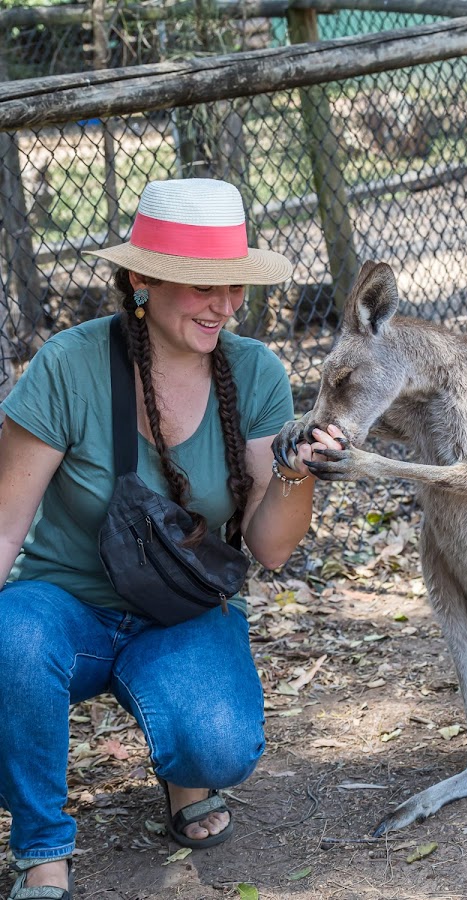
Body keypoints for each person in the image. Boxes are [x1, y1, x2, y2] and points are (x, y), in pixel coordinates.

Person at [0, 178, 343, 900]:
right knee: (13, 638)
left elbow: (272, 550)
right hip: (67, 606)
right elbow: (6, 523)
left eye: (233, 285)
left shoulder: (253, 371)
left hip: (183, 609)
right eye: (201, 286)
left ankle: (184, 777)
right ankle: (41, 845)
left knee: (219, 742)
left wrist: (295, 472)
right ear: (140, 278)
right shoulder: (69, 364)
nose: (225, 305)